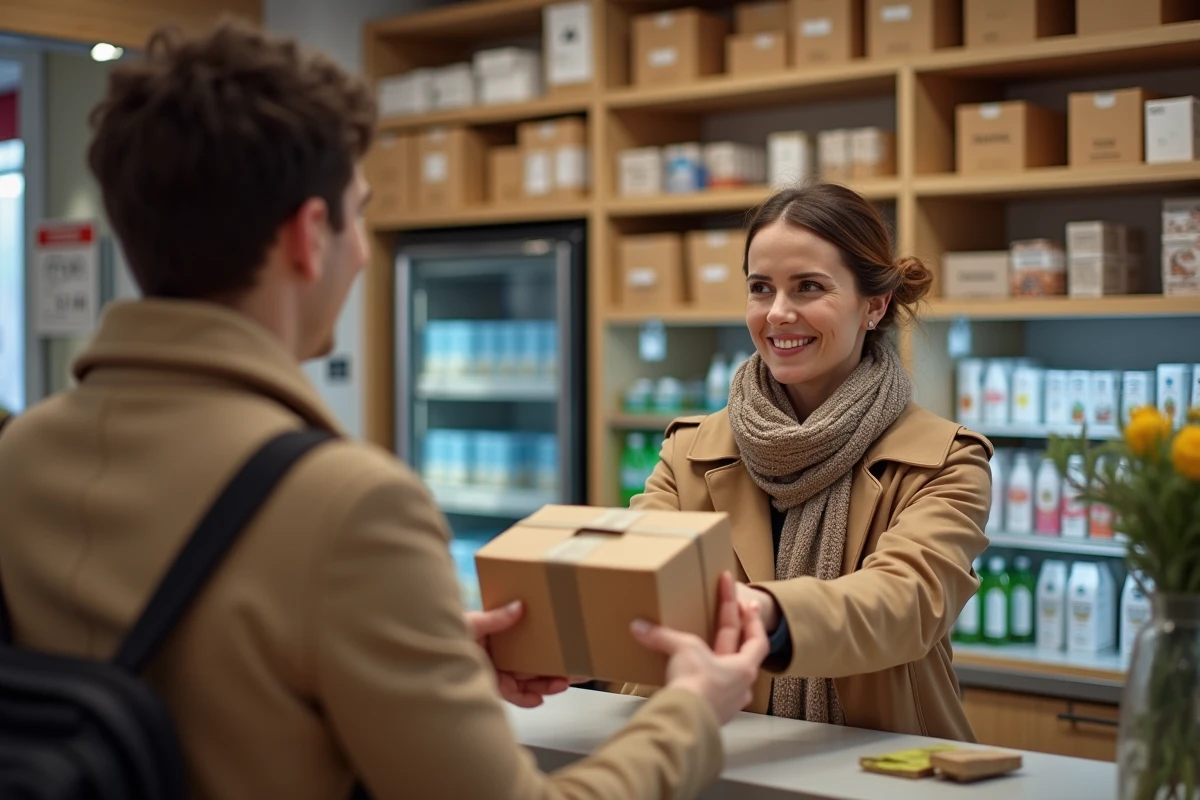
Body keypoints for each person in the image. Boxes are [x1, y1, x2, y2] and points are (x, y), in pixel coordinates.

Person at [0, 20, 768, 799]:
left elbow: (214, 688)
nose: (365, 252)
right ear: (309, 236)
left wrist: (419, 661)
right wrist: (690, 713)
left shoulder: (21, 454)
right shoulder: (349, 507)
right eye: (359, 214)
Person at [620, 183, 993, 742]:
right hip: (703, 747)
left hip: (876, 762)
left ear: (874, 305)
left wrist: (766, 611)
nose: (778, 313)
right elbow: (638, 580)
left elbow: (906, 604)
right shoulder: (691, 450)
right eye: (760, 288)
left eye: (809, 287)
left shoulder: (944, 460)